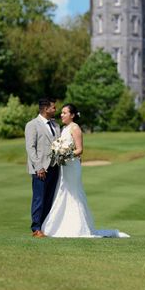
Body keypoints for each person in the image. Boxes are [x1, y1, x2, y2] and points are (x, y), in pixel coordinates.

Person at [41, 103, 129, 238]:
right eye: (62, 113)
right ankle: (60, 225)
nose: (61, 115)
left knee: (74, 193)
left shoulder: (75, 128)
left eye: (65, 113)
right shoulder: (64, 128)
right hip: (64, 167)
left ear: (72, 115)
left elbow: (80, 149)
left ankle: (78, 227)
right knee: (63, 191)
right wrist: (58, 152)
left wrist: (65, 154)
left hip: (72, 166)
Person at [25, 97, 60, 238]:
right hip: (40, 168)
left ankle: (45, 226)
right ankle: (36, 228)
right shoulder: (32, 125)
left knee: (49, 198)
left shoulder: (56, 125)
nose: (55, 110)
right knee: (39, 198)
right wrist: (39, 167)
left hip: (55, 167)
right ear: (46, 109)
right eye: (53, 107)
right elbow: (30, 147)